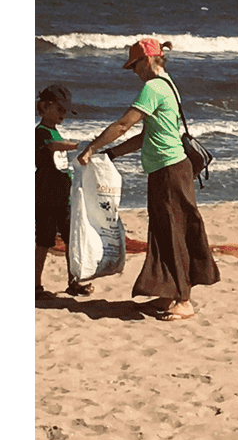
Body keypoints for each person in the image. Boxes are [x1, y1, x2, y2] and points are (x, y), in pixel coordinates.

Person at [78, 38, 215, 320]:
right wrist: (113, 154)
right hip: (167, 170)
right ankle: (167, 294)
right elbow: (145, 136)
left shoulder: (153, 88)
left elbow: (124, 124)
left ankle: (184, 300)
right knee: (163, 231)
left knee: (174, 232)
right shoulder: (168, 85)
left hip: (170, 171)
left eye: (135, 65)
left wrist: (92, 148)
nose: (134, 71)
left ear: (149, 60)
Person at [36, 84, 78, 298]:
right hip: (45, 196)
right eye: (60, 110)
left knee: (71, 239)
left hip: (63, 196)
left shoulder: (55, 130)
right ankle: (35, 285)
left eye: (65, 111)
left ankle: (74, 281)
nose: (63, 115)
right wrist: (75, 146)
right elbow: (52, 146)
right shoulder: (41, 132)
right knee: (44, 240)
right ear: (45, 106)